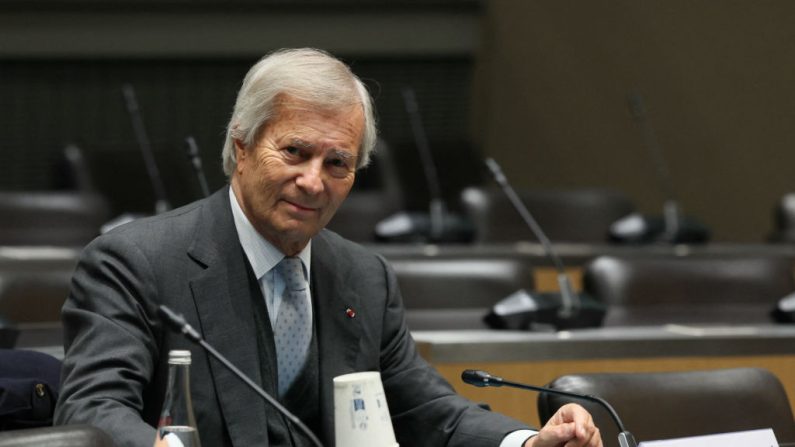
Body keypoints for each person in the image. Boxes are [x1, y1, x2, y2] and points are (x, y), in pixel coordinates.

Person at [54, 48, 602, 447]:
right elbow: (93, 409)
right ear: (241, 147)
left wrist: (527, 443)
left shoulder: (362, 275)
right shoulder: (136, 263)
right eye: (294, 152)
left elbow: (427, 410)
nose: (314, 182)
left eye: (337, 163)